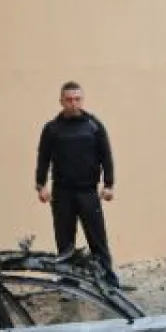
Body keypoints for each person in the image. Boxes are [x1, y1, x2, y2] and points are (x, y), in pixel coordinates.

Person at [35, 81, 118, 284]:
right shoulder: (52, 129)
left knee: (97, 238)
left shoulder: (94, 126)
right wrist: (41, 185)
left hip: (88, 192)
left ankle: (107, 278)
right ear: (61, 101)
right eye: (69, 100)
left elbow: (106, 156)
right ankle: (68, 280)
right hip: (62, 192)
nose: (73, 104)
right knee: (65, 240)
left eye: (77, 99)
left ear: (82, 100)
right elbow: (43, 158)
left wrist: (108, 185)